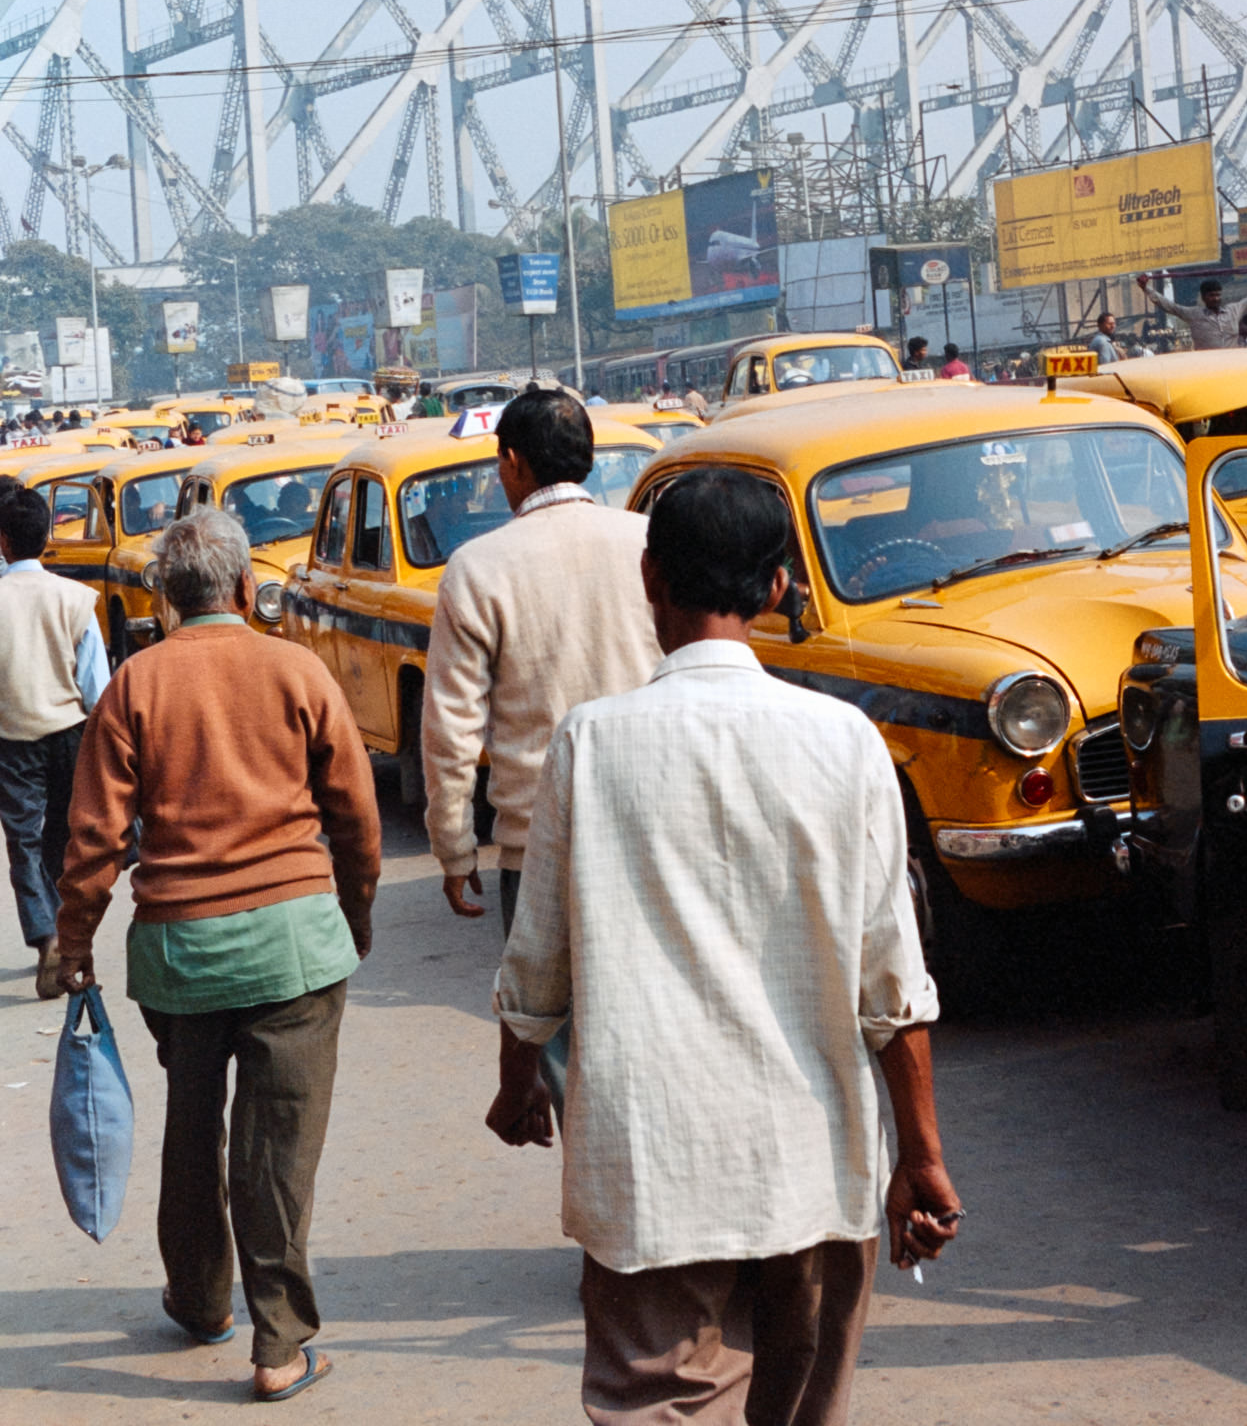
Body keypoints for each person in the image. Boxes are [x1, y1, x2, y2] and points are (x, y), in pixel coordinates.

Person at [490, 468, 961, 1425]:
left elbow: (537, 965)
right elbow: (891, 982)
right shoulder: (845, 740)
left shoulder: (592, 742)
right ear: (779, 588)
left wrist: (516, 1082)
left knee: (656, 1405)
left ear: (651, 578)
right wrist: (921, 1154)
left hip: (650, 1162)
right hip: (811, 1158)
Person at [54, 507, 381, 1399]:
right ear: (245, 588)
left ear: (165, 597)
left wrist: (73, 943)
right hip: (295, 951)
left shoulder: (135, 684)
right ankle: (278, 1346)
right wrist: (351, 916)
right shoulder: (295, 669)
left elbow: (93, 837)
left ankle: (200, 1301)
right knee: (277, 1145)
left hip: (178, 956)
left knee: (192, 1130)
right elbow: (355, 815)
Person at [422, 388, 660, 951]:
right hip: (653, 827)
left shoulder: (477, 568)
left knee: (543, 1027)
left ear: (511, 461)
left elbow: (451, 729)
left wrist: (453, 848)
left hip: (539, 849)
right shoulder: (649, 541)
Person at [0, 484, 107, 999]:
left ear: (2, 543)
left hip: (12, 740)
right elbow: (96, 687)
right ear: (47, 536)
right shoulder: (76, 599)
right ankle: (69, 933)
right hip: (70, 735)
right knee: (63, 839)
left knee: (22, 840)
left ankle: (45, 936)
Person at [1135, 267, 1247, 351]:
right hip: (1207, 367)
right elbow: (1168, 306)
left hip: (1234, 365)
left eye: (1218, 295)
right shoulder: (1194, 314)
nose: (1215, 298)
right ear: (1204, 297)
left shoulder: (1234, 310)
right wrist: (1145, 288)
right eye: (1211, 295)